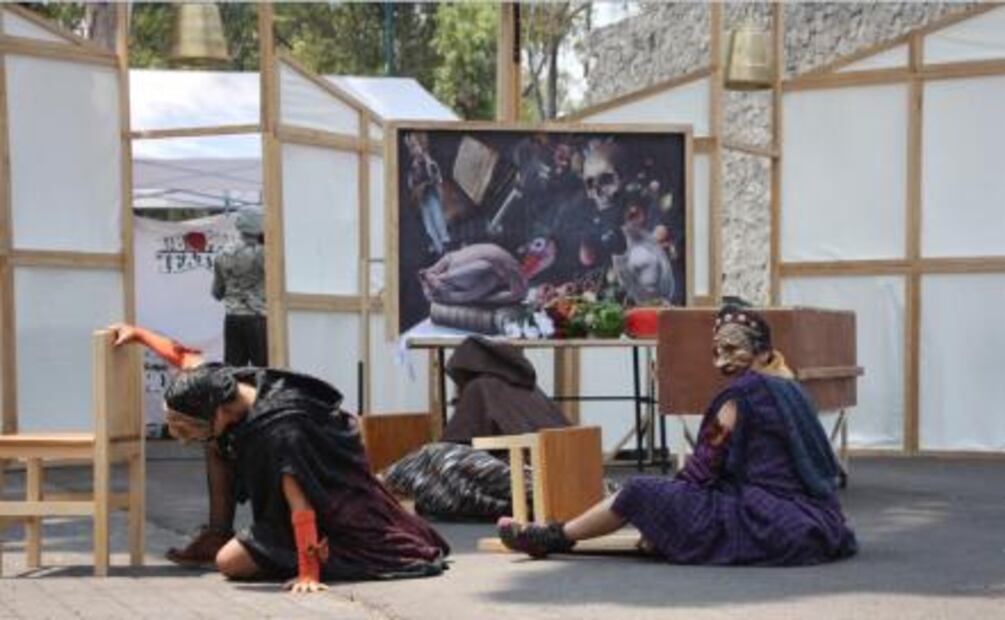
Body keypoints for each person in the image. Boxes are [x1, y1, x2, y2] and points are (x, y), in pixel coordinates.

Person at [497, 305, 859, 566]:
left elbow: (703, 467)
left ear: (763, 352)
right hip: (812, 519)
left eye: (733, 349)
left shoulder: (741, 395)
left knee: (639, 490)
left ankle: (554, 536)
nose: (722, 360)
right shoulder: (792, 388)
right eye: (717, 350)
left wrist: (667, 510)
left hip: (763, 519)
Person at [110, 324, 450, 590]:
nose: (187, 433)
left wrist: (308, 571)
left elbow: (301, 504)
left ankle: (321, 552)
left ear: (221, 410)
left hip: (333, 512)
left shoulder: (280, 431)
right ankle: (218, 529)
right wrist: (138, 333)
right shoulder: (219, 384)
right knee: (218, 445)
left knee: (229, 562)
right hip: (302, 499)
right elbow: (182, 356)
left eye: (194, 423)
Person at [167, 208, 268, 566]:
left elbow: (217, 291)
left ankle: (218, 528)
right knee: (261, 380)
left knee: (233, 377)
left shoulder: (224, 254)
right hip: (261, 318)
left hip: (234, 318)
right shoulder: (266, 254)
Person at [383, 336, 571, 519]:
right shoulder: (530, 390)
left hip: (526, 478)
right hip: (558, 479)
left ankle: (381, 482)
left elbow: (455, 446)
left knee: (435, 455)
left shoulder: (480, 386)